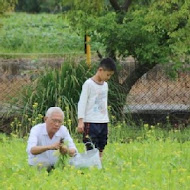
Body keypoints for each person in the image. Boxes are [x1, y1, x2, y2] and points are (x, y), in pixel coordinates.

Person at [77, 57, 116, 160]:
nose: (108, 77)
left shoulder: (105, 85)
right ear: (100, 70)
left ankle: (99, 164)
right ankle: (90, 164)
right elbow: (82, 102)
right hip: (91, 121)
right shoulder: (88, 84)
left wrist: (106, 120)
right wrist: (81, 121)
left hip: (103, 121)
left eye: (110, 75)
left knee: (102, 145)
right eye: (108, 75)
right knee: (91, 145)